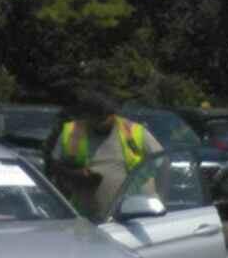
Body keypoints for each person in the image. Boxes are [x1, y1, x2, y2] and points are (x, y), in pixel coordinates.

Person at [47, 91, 162, 221]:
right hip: (87, 221)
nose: (102, 122)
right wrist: (75, 175)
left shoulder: (133, 131)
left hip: (135, 217)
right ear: (87, 115)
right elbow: (54, 166)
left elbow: (162, 162)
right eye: (96, 118)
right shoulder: (72, 132)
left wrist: (161, 196)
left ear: (113, 113)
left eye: (106, 116)